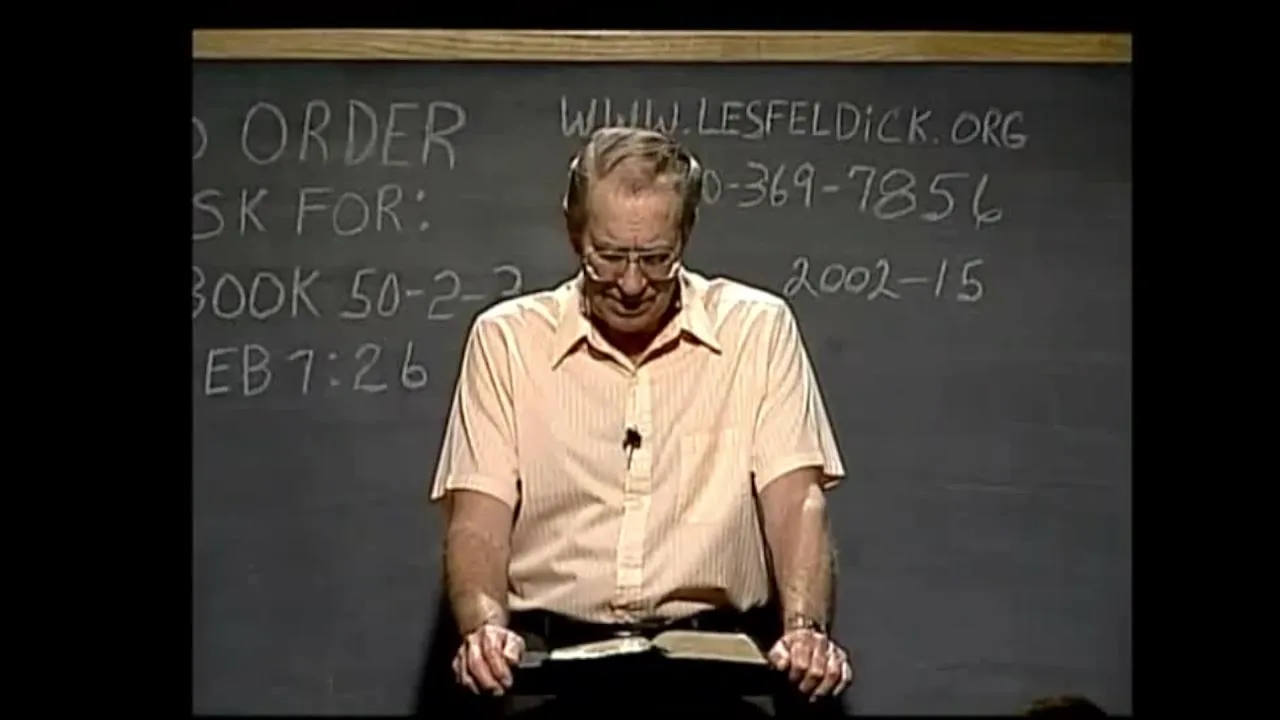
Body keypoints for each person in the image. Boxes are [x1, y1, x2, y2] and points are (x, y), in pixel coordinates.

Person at [429, 126, 851, 716]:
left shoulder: (757, 331)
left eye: (656, 259)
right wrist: (484, 629)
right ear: (574, 233)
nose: (631, 284)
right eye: (608, 256)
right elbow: (478, 518)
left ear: (686, 234)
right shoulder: (506, 342)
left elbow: (796, 503)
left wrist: (805, 630)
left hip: (717, 676)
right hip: (550, 675)